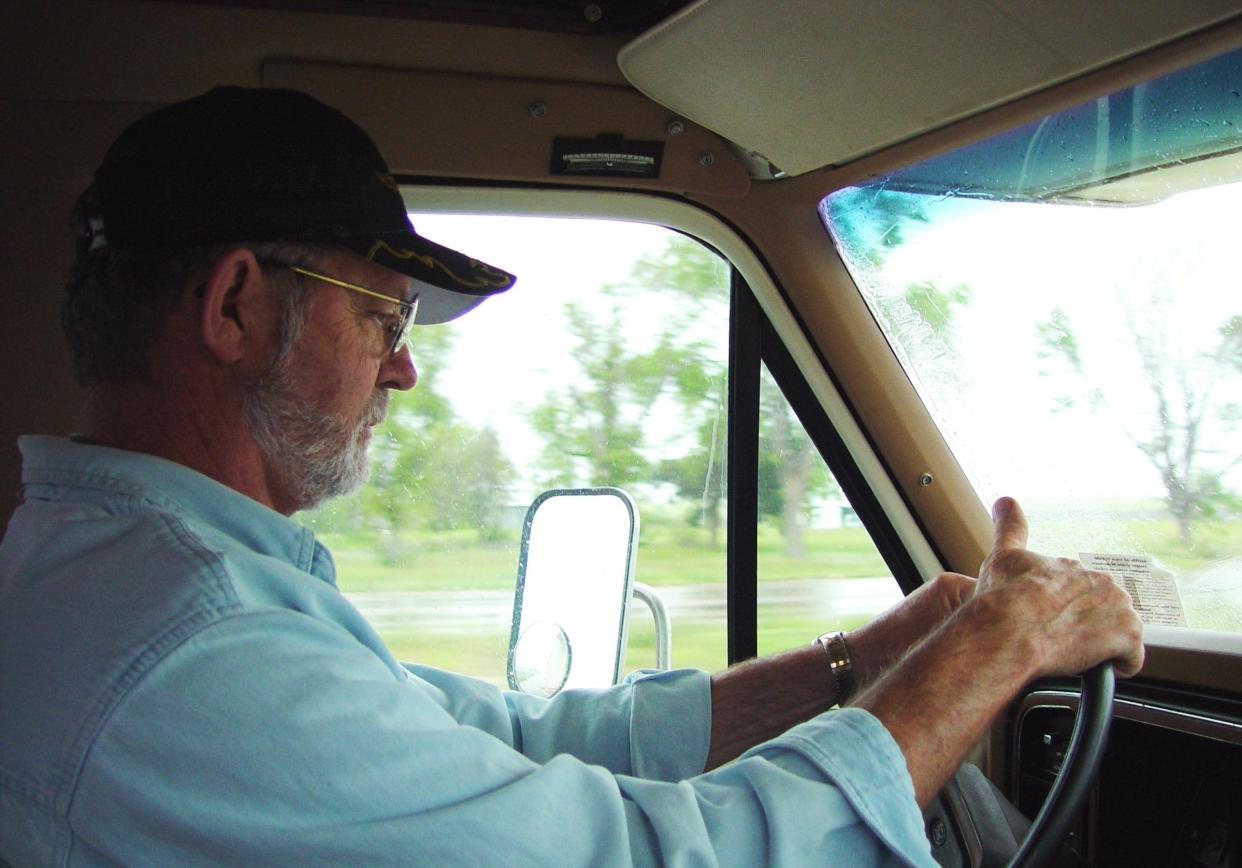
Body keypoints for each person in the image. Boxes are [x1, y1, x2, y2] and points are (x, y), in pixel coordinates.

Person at [0, 86, 1143, 866]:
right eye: (383, 316)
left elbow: (528, 741)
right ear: (236, 306)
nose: (401, 367)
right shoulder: (188, 649)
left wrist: (868, 661)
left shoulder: (157, 592)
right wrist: (996, 649)